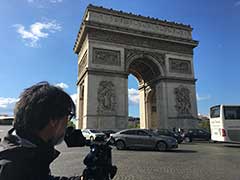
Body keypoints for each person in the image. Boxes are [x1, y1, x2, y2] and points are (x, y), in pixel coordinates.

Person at [0, 82, 82, 180]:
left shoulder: (24, 152)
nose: (67, 124)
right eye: (68, 117)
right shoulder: (12, 170)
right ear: (54, 120)